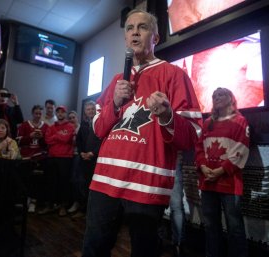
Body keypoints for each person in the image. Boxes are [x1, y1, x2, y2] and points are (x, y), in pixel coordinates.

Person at [82, 9, 202, 257]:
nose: (135, 32)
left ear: (155, 37)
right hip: (105, 183)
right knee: (94, 248)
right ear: (126, 38)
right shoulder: (116, 80)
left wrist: (168, 116)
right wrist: (114, 103)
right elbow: (96, 128)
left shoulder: (174, 75)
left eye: (142, 27)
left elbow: (192, 134)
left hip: (146, 186)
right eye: (129, 28)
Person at [195, 87, 250, 257]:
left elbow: (241, 149)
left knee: (235, 227)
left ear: (230, 98)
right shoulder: (207, 124)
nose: (216, 97)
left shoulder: (240, 121)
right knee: (211, 226)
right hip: (207, 183)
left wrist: (220, 170)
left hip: (229, 183)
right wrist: (203, 167)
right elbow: (198, 149)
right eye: (214, 96)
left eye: (221, 95)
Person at [40, 105, 75, 216]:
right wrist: (58, 136)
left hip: (65, 158)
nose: (60, 114)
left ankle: (63, 206)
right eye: (58, 112)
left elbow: (66, 139)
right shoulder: (51, 127)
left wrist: (54, 137)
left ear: (65, 114)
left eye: (62, 112)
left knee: (63, 183)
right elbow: (47, 140)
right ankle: (50, 205)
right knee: (50, 182)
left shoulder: (70, 126)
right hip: (52, 157)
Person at [69, 101, 102, 219]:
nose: (91, 111)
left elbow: (102, 141)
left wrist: (92, 153)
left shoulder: (100, 123)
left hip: (95, 160)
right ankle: (83, 210)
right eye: (88, 109)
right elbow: (79, 141)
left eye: (92, 109)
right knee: (83, 186)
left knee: (94, 188)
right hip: (84, 160)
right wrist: (82, 152)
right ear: (85, 112)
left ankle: (92, 213)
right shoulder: (83, 125)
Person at [17, 105, 49, 213]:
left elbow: (47, 145)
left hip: (39, 156)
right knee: (25, 178)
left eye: (40, 114)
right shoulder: (25, 125)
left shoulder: (45, 127)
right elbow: (18, 141)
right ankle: (26, 198)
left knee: (38, 179)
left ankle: (34, 201)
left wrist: (41, 139)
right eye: (36, 113)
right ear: (32, 113)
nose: (38, 116)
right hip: (26, 156)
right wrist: (29, 136)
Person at [169, 152, 186, 257]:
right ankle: (178, 245)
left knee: (156, 204)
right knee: (177, 208)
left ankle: (158, 240)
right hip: (174, 160)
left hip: (156, 160)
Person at [67, 110, 81, 215]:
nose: (72, 119)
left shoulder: (81, 128)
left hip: (78, 155)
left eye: (73, 117)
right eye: (70, 118)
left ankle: (77, 202)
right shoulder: (67, 129)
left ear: (77, 117)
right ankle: (70, 201)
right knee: (69, 180)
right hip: (68, 155)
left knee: (75, 179)